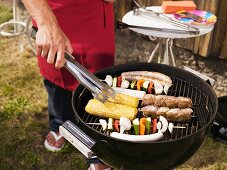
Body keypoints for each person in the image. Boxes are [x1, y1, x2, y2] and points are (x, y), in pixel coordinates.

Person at [22, 0, 115, 169]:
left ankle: (99, 147)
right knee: (55, 71)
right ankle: (59, 122)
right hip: (52, 8)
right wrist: (45, 23)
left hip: (94, 12)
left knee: (99, 79)